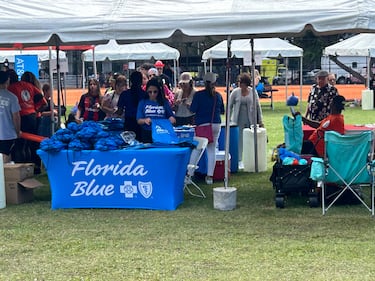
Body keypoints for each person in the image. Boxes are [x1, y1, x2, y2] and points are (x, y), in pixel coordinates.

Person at [7, 69, 47, 173]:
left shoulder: (10, 89)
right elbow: (44, 102)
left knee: (20, 145)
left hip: (20, 117)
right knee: (32, 143)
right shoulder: (28, 85)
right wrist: (35, 110)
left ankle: (23, 168)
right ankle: (36, 167)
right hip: (32, 117)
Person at [190, 72, 224, 185]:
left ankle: (189, 174)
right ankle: (210, 177)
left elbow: (193, 109)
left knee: (197, 149)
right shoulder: (218, 95)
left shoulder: (199, 95)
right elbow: (222, 110)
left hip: (202, 124)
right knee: (212, 150)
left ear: (204, 82)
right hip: (216, 123)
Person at [229, 72, 264, 168]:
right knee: (239, 139)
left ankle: (251, 159)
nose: (239, 84)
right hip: (238, 119)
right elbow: (229, 106)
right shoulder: (235, 92)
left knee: (250, 139)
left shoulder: (253, 92)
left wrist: (260, 120)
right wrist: (229, 119)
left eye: (241, 82)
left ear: (246, 83)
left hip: (251, 119)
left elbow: (258, 106)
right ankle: (239, 160)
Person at [136, 77, 175, 143]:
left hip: (162, 132)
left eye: (155, 92)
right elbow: (139, 120)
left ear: (159, 91)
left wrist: (171, 119)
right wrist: (145, 120)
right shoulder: (143, 102)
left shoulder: (164, 102)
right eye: (150, 92)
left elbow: (172, 117)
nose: (152, 94)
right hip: (147, 132)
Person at [117, 71, 147, 141]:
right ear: (141, 81)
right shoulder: (145, 95)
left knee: (128, 144)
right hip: (142, 123)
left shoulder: (124, 94)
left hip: (129, 123)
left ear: (130, 81)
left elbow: (119, 112)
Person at [0, 71, 21, 163]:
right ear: (7, 81)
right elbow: (16, 117)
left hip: (6, 133)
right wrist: (17, 131)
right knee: (6, 157)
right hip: (7, 133)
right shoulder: (12, 97)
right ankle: (5, 176)